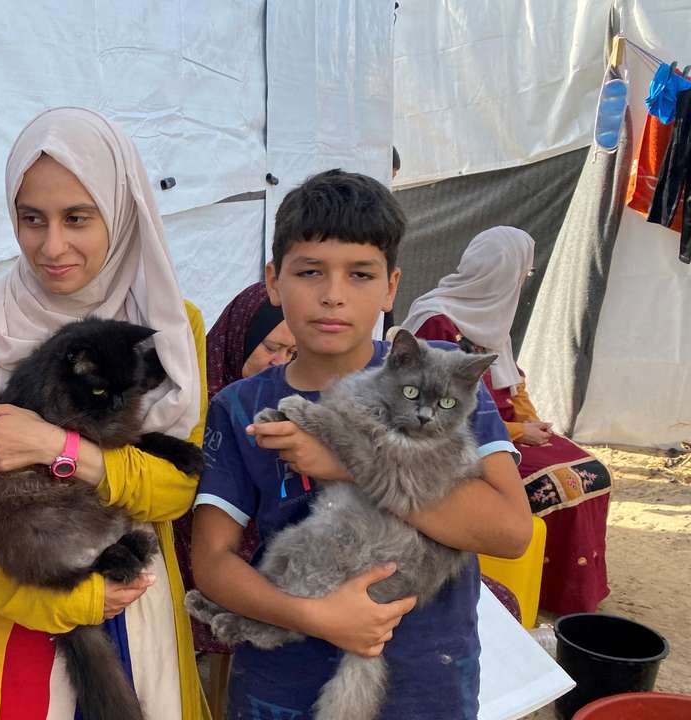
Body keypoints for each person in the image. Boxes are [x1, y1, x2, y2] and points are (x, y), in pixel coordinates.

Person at [190, 170, 532, 719]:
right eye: (310, 272)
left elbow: (510, 531)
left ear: (391, 287)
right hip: (282, 686)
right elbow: (210, 561)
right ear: (274, 282)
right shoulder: (239, 406)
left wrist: (349, 462)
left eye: (360, 274)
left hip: (424, 684)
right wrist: (315, 616)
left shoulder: (443, 380)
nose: (332, 295)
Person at [0, 107, 211, 719]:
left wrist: (64, 451)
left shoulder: (170, 326)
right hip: (15, 604)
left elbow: (176, 492)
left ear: (121, 208)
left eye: (78, 218)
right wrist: (59, 605)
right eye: (32, 219)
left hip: (136, 601)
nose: (51, 246)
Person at [405, 226, 612, 616]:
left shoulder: (490, 315)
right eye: (523, 273)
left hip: (504, 431)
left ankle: (571, 592)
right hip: (458, 441)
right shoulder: (437, 321)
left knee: (593, 470)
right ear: (501, 272)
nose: (522, 282)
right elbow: (435, 411)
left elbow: (511, 381)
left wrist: (532, 422)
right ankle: (559, 596)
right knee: (563, 483)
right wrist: (517, 433)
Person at [173, 282, 292, 714]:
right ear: (238, 336)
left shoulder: (290, 403)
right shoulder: (189, 402)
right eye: (271, 347)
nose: (279, 364)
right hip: (193, 553)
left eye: (293, 355)